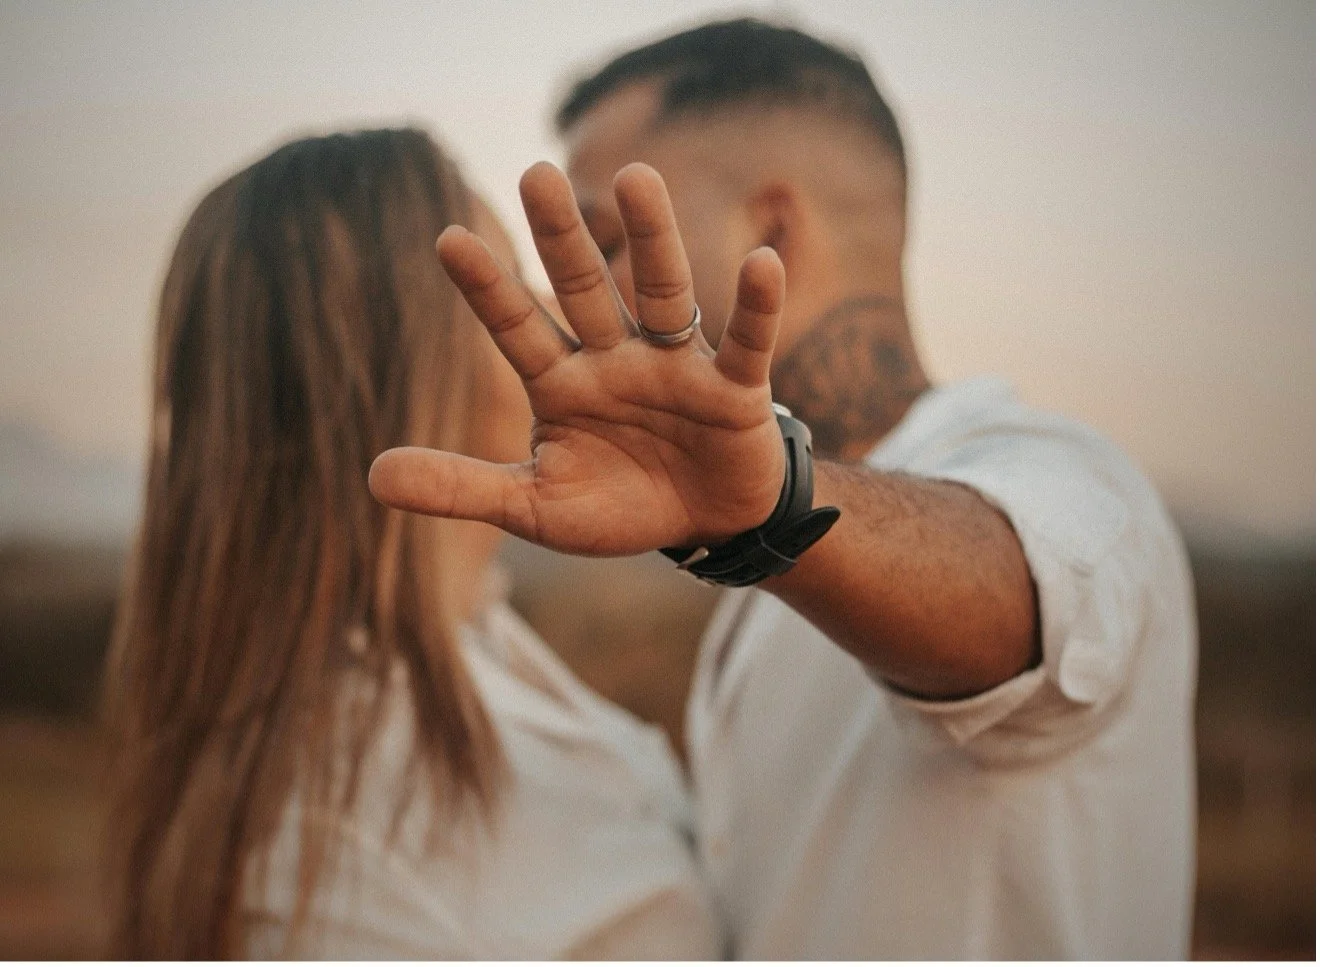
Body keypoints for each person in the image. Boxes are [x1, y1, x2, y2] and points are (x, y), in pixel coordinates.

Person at [369, 18, 1198, 960]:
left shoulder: (1072, 480)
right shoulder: (756, 582)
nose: (578, 296)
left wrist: (771, 511)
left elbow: (1022, 596)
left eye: (609, 242)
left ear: (769, 228)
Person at [103, 127, 722, 959]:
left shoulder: (478, 632)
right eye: (505, 285)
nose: (546, 312)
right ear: (405, 355)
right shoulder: (333, 847)